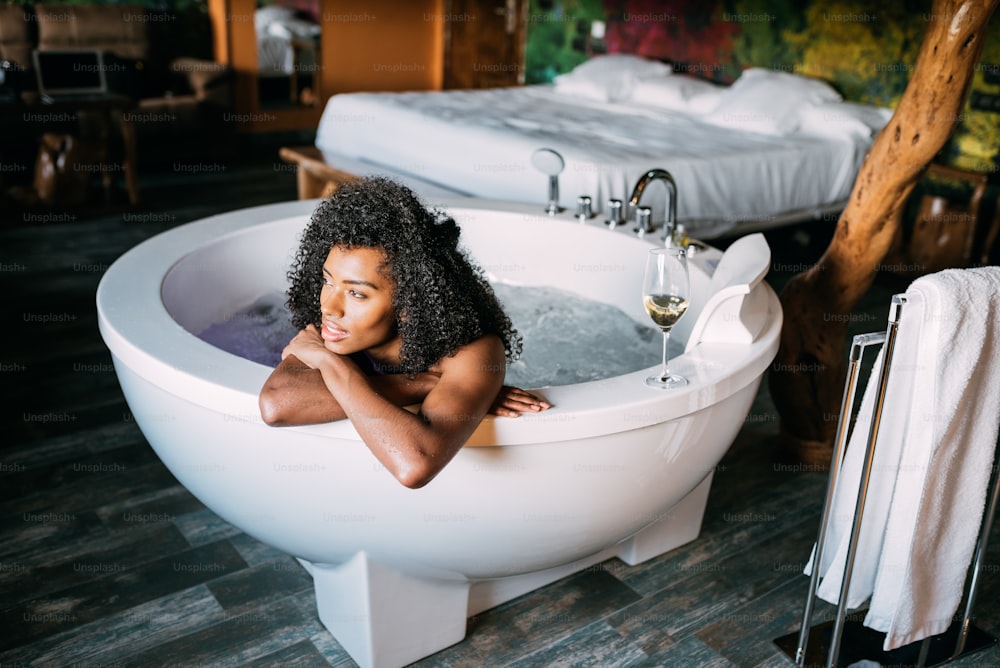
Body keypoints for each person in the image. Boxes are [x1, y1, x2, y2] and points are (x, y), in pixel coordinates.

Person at [259, 176, 550, 488]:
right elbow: (277, 405)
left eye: (357, 294)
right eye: (328, 281)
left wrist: (327, 362)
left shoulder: (471, 352)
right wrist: (427, 384)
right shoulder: (334, 328)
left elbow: (414, 465)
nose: (329, 307)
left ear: (410, 303)